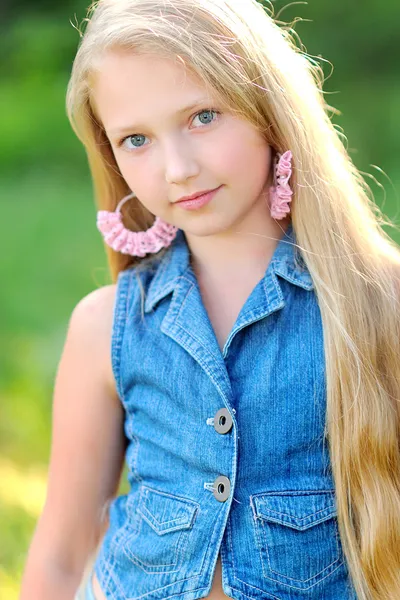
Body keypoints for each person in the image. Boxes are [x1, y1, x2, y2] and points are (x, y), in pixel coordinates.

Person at [19, 0, 400, 599]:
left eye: (202, 117)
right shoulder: (105, 327)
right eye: (136, 138)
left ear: (269, 113)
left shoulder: (378, 301)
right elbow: (62, 554)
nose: (177, 168)